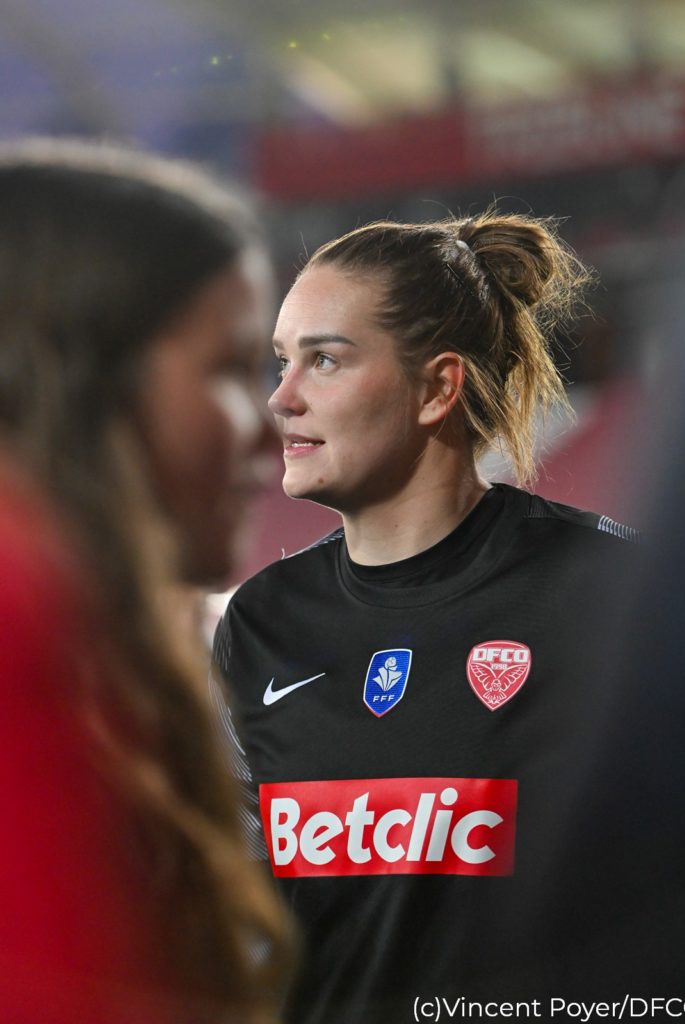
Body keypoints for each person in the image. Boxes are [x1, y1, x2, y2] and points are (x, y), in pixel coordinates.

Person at [213, 210, 651, 1024]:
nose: (280, 397)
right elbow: (239, 925)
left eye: (324, 360)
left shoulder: (610, 591)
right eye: (281, 361)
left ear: (438, 387)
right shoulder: (261, 623)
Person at [0, 138, 292, 1024]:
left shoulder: (90, 663)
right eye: (231, 368)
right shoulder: (21, 634)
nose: (270, 432)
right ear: (81, 379)